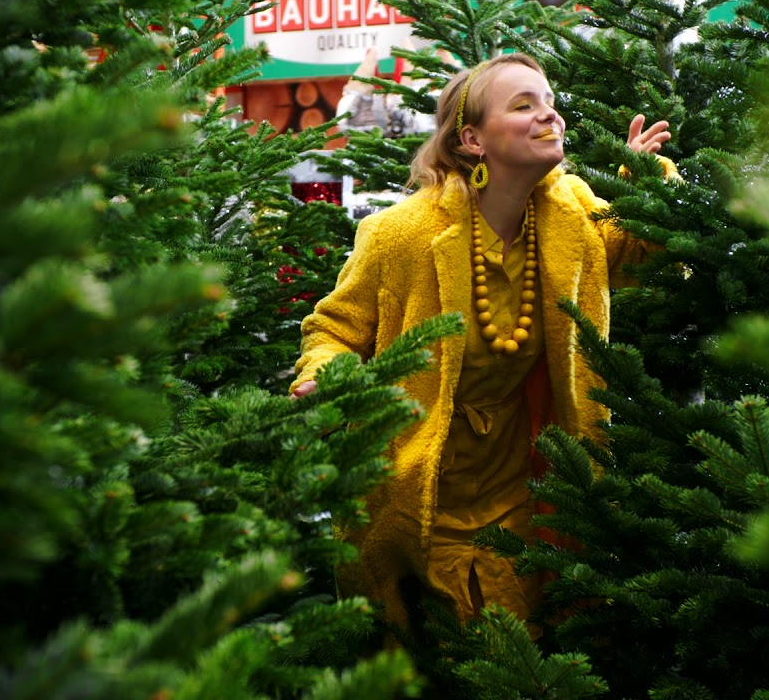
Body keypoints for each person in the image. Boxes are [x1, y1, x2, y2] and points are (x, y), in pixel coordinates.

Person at [289, 53, 675, 632]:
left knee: (522, 648)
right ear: (472, 139)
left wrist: (647, 182)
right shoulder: (400, 235)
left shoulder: (569, 212)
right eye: (524, 105)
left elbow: (637, 248)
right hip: (417, 487)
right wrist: (326, 374)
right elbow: (335, 330)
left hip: (518, 485)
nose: (550, 117)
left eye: (550, 102)